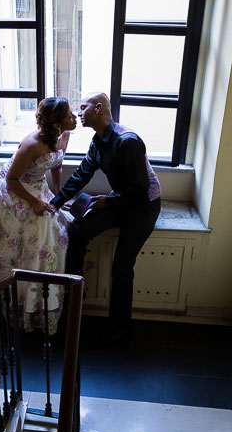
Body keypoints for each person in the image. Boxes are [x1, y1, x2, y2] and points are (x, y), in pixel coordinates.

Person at [50, 91, 161, 344]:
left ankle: (120, 328)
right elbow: (80, 175)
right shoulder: (97, 142)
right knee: (76, 231)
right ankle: (77, 295)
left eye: (83, 107)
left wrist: (107, 201)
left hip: (143, 206)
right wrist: (55, 203)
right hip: (120, 199)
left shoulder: (128, 142)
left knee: (122, 267)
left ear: (98, 108)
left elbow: (140, 189)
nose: (79, 112)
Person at [0, 97, 78, 333]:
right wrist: (35, 202)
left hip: (39, 187)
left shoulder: (64, 135)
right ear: (56, 122)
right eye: (69, 115)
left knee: (58, 230)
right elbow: (11, 179)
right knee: (36, 233)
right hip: (15, 191)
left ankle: (43, 301)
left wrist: (59, 196)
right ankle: (21, 303)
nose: (75, 117)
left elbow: (56, 165)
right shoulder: (32, 144)